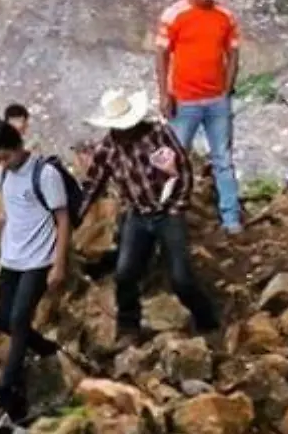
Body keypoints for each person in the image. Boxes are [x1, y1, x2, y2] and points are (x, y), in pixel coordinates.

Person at [80, 88, 220, 343]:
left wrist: (177, 206)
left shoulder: (158, 133)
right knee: (124, 273)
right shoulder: (109, 148)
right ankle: (129, 328)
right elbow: (93, 184)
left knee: (181, 277)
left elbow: (184, 171)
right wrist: (75, 214)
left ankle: (207, 321)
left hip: (167, 212)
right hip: (137, 213)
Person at [0, 118, 71, 419]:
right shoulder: (3, 173)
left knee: (21, 318)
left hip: (39, 259)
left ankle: (8, 386)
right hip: (11, 258)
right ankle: (46, 349)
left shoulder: (44, 174)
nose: (2, 163)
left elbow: (62, 219)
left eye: (6, 157)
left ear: (19, 148)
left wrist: (59, 265)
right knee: (5, 320)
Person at [155, 0, 244, 234]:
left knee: (223, 160)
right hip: (184, 101)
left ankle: (231, 219)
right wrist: (164, 94)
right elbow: (161, 55)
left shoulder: (225, 17)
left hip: (217, 100)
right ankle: (168, 215)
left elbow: (233, 54)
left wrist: (227, 87)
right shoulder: (173, 16)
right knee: (174, 160)